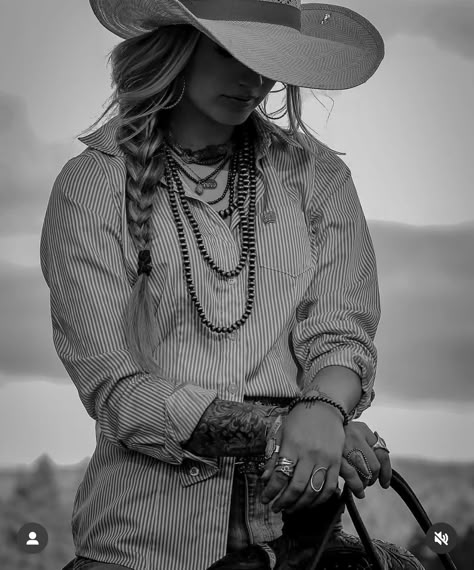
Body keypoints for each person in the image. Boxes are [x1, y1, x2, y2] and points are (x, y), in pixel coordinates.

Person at [39, 1, 416, 569]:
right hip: (148, 545)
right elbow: (115, 391)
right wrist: (288, 430)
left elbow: (341, 333)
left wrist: (324, 410)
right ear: (175, 46)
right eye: (228, 50)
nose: (253, 79)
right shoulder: (92, 185)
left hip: (302, 541)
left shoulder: (316, 175)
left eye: (267, 59)